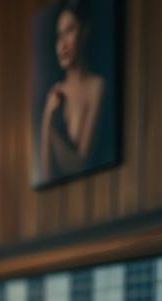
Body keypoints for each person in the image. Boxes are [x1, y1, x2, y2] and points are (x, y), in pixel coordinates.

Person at [39, 0, 105, 182]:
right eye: (59, 36)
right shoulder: (54, 95)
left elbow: (82, 165)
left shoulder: (97, 86)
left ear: (85, 31)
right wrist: (48, 117)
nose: (63, 44)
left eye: (70, 31)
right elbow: (46, 174)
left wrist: (52, 128)